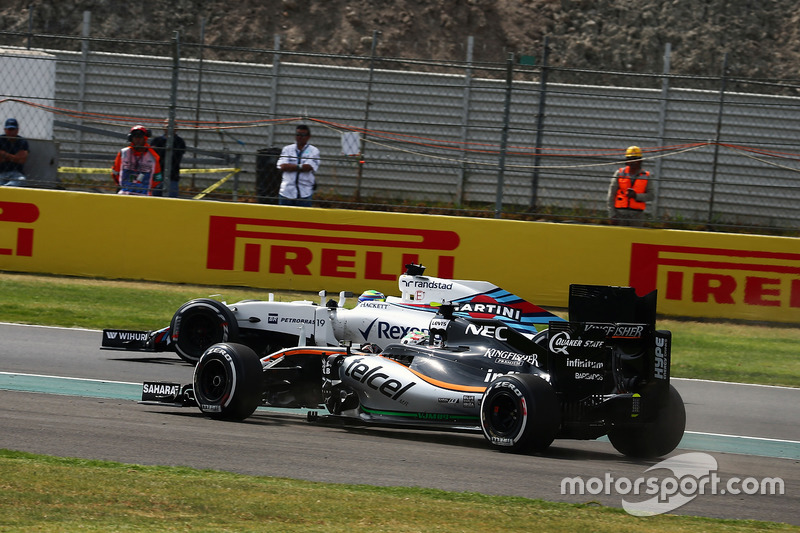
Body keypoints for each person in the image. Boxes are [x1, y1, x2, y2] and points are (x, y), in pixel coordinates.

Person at [607, 145, 653, 227]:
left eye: (635, 159)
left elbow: (651, 196)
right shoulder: (619, 173)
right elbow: (611, 195)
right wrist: (612, 215)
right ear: (626, 161)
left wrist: (636, 196)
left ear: (640, 161)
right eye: (630, 159)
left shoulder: (646, 176)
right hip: (619, 214)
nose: (633, 162)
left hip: (637, 216)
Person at [111, 125, 162, 195]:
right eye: (135, 137)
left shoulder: (153, 156)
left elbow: (157, 178)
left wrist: (148, 189)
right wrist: (122, 186)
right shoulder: (123, 153)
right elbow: (115, 173)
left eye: (140, 137)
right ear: (131, 138)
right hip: (125, 193)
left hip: (144, 194)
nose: (137, 139)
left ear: (145, 138)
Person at [276, 124, 320, 206]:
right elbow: (282, 166)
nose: (300, 137)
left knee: (303, 217)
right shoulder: (287, 149)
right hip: (286, 192)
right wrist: (300, 166)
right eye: (298, 134)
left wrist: (291, 166)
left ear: (308, 136)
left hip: (305, 192)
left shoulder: (313, 151)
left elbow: (308, 167)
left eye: (303, 135)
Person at [150, 119, 187, 198]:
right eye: (167, 126)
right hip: (157, 175)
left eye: (172, 126)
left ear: (176, 129)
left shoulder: (179, 141)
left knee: (171, 200)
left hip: (172, 176)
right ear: (163, 128)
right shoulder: (157, 141)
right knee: (153, 199)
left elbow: (176, 156)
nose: (169, 128)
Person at [0, 118, 29, 187]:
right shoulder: (1, 140)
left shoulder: (22, 141)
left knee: (21, 180)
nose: (11, 132)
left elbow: (22, 160)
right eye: (9, 130)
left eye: (13, 130)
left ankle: (6, 188)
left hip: (16, 173)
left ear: (17, 130)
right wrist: (15, 158)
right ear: (5, 130)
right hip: (1, 172)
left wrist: (4, 154)